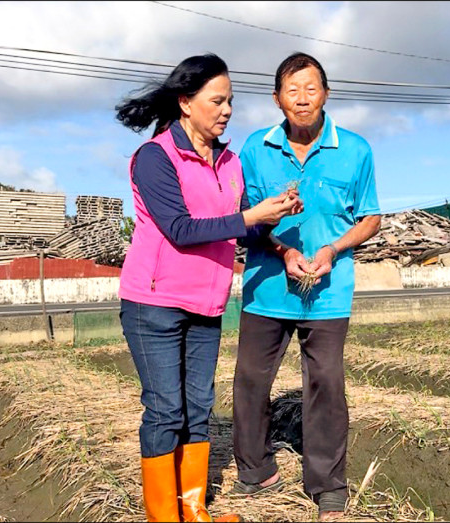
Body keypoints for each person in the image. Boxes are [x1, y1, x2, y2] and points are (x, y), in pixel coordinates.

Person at [115, 53, 302, 523]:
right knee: (165, 410)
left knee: (198, 409)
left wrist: (276, 224)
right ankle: (165, 517)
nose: (226, 110)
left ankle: (194, 510)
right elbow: (180, 228)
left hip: (206, 303)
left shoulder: (230, 163)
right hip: (153, 303)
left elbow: (242, 229)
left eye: (230, 102)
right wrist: (250, 216)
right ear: (185, 102)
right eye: (217, 100)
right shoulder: (154, 157)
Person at [231, 52, 381, 521]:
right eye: (292, 90)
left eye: (311, 88)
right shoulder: (255, 149)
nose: (302, 98)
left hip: (329, 290)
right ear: (277, 98)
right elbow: (246, 220)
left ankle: (328, 486)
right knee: (252, 381)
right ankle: (255, 470)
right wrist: (283, 250)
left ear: (326, 94)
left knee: (326, 385)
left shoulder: (356, 149)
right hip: (266, 287)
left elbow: (370, 217)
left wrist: (333, 250)